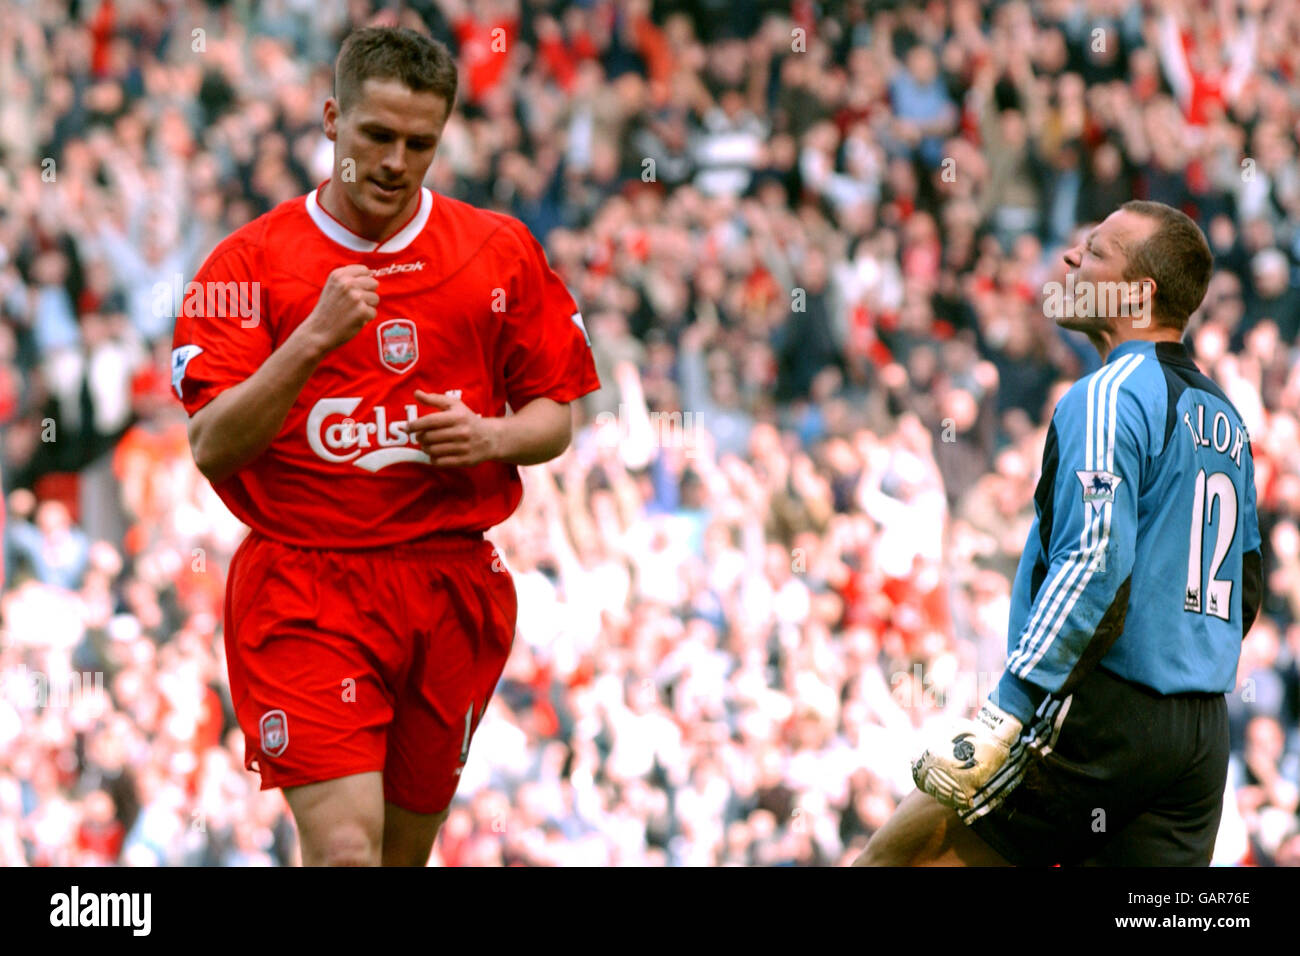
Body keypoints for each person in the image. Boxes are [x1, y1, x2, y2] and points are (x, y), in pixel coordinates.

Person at [170, 26, 599, 866]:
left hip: (447, 586)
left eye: (420, 143)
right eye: (377, 136)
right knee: (343, 852)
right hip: (305, 583)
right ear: (333, 119)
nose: (398, 161)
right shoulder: (246, 263)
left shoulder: (496, 251)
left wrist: (490, 435)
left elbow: (556, 415)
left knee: (400, 858)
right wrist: (309, 342)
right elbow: (211, 445)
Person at [856, 200, 1263, 866]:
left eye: (1096, 251)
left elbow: (1095, 560)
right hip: (1199, 740)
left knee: (894, 862)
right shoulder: (1227, 420)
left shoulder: (1106, 394)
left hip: (1101, 715)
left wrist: (1007, 709)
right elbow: (1245, 590)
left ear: (1138, 293)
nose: (1071, 259)